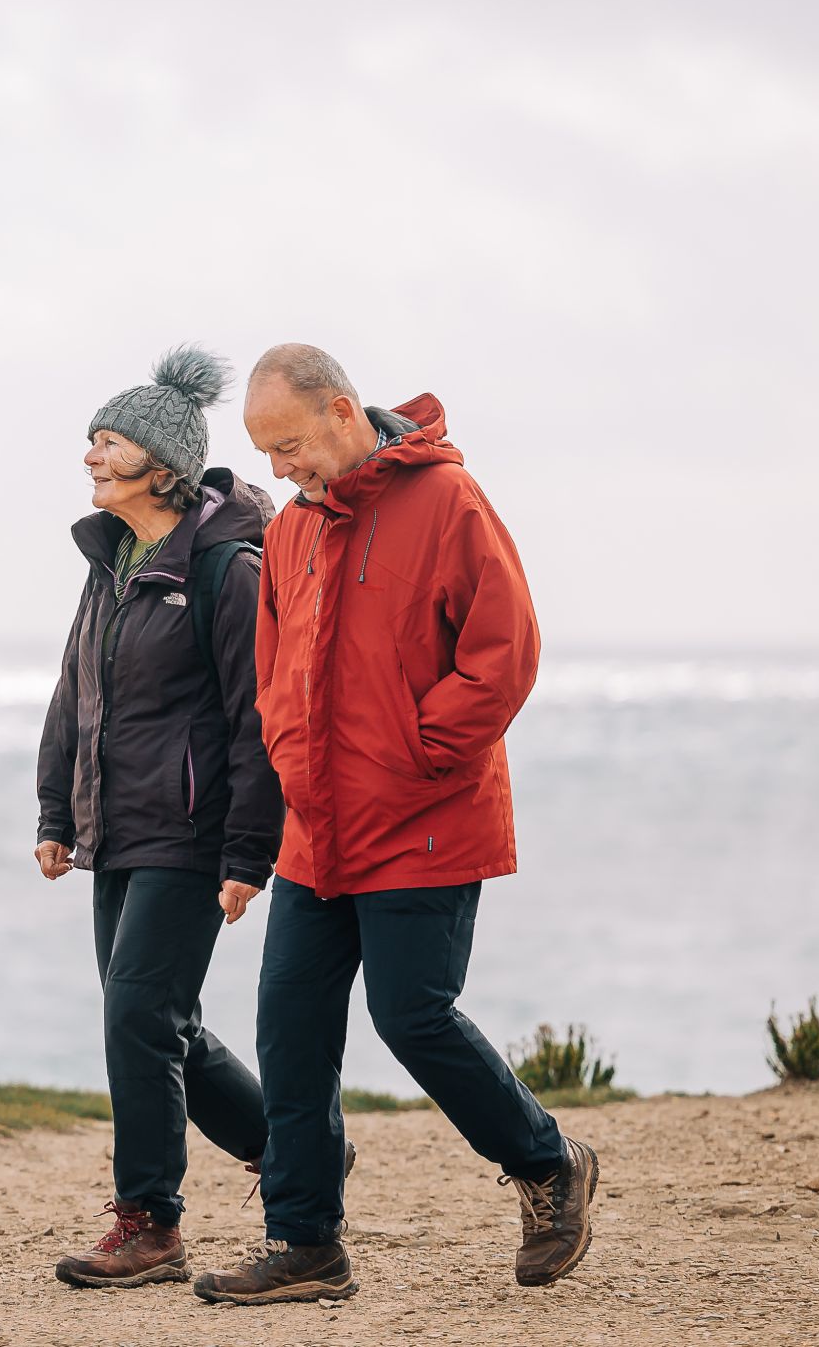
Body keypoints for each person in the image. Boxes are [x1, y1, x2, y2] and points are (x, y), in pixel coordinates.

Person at [192, 345, 596, 1307]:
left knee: (410, 1014)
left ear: (341, 412)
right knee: (288, 1026)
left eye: (288, 445)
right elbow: (275, 674)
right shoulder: (289, 534)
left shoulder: (450, 504)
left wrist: (416, 753)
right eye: (264, 452)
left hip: (426, 817)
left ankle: (547, 1164)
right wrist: (292, 762)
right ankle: (304, 1245)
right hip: (317, 830)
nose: (279, 469)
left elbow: (506, 654)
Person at [34, 347, 290, 1289]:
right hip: (117, 831)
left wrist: (247, 853)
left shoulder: (228, 569)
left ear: (163, 463)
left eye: (110, 442)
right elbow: (74, 694)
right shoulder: (111, 563)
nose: (93, 457)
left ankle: (151, 1222)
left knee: (138, 1010)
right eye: (93, 440)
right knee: (157, 1019)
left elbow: (257, 718)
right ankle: (296, 1155)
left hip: (192, 834)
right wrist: (57, 810)